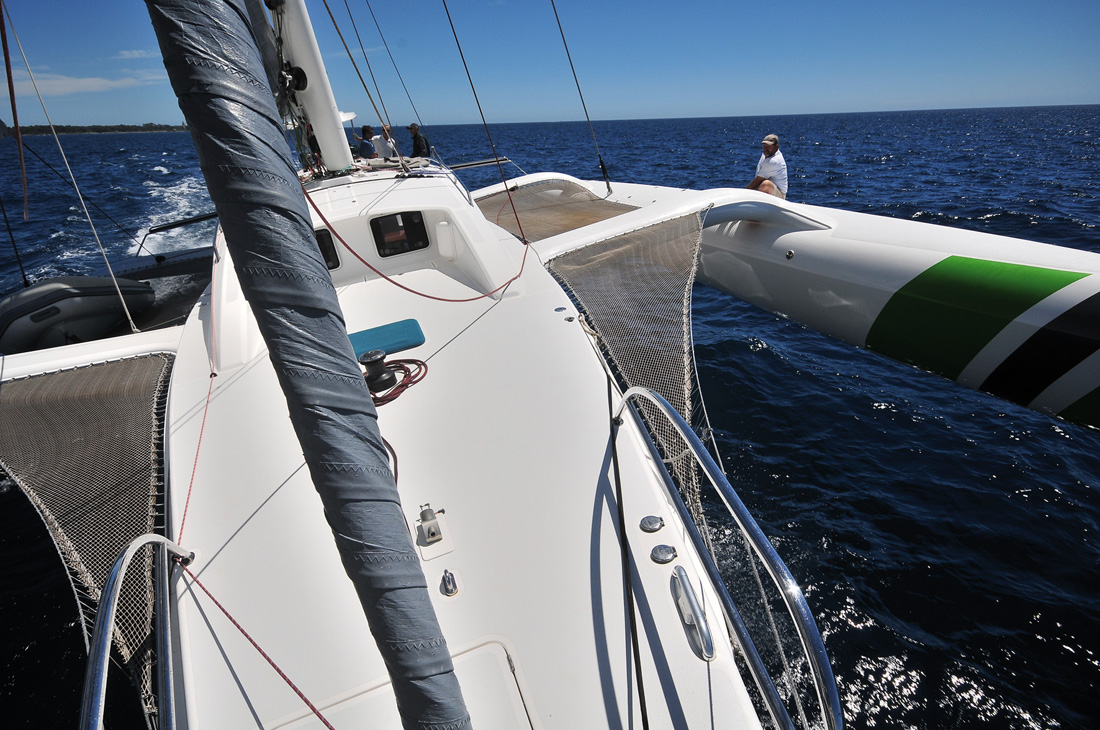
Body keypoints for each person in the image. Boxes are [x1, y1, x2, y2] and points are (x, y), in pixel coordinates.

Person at [747, 133, 787, 199]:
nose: (765, 149)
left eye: (768, 146)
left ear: (776, 146)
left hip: (779, 196)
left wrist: (745, 194)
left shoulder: (774, 161)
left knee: (766, 184)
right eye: (764, 146)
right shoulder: (767, 154)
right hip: (768, 191)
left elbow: (756, 182)